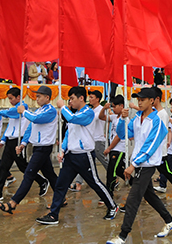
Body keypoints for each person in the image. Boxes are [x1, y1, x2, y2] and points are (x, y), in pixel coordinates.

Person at [35, 86, 118, 225]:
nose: (70, 102)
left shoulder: (88, 113)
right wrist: (62, 150)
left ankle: (112, 206)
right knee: (61, 185)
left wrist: (62, 107)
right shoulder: (75, 113)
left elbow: (72, 118)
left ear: (81, 98)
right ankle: (53, 215)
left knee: (95, 182)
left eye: (72, 98)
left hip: (84, 156)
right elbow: (68, 133)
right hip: (71, 156)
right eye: (69, 99)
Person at [106, 88, 172, 243]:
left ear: (152, 101)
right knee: (149, 195)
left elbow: (150, 146)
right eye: (138, 99)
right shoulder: (137, 117)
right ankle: (170, 220)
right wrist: (122, 120)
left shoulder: (157, 121)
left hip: (147, 163)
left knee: (133, 199)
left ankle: (123, 235)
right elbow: (125, 134)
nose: (139, 102)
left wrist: (133, 164)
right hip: (138, 162)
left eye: (143, 99)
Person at [0, 86, 58, 214]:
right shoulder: (39, 110)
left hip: (43, 147)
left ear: (47, 97)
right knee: (50, 175)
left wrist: (23, 111)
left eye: (39, 96)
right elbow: (31, 127)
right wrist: (23, 143)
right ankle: (61, 199)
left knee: (29, 174)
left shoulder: (51, 111)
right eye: (36, 96)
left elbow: (35, 119)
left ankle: (13, 203)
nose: (37, 98)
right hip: (37, 146)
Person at [0, 87, 48, 202]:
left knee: (23, 167)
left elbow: (14, 113)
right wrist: (2, 141)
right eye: (9, 99)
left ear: (18, 97)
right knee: (3, 166)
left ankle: (42, 181)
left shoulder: (23, 107)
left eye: (12, 98)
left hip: (19, 140)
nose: (10, 101)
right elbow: (9, 126)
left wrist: (1, 112)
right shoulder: (12, 109)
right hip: (10, 141)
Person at [99, 95, 129, 200]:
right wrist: (104, 108)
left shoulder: (124, 118)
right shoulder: (114, 117)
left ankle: (109, 195)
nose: (113, 109)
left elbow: (118, 136)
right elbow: (101, 117)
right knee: (119, 171)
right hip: (114, 149)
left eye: (114, 106)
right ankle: (136, 184)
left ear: (121, 106)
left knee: (111, 172)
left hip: (119, 149)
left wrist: (109, 148)